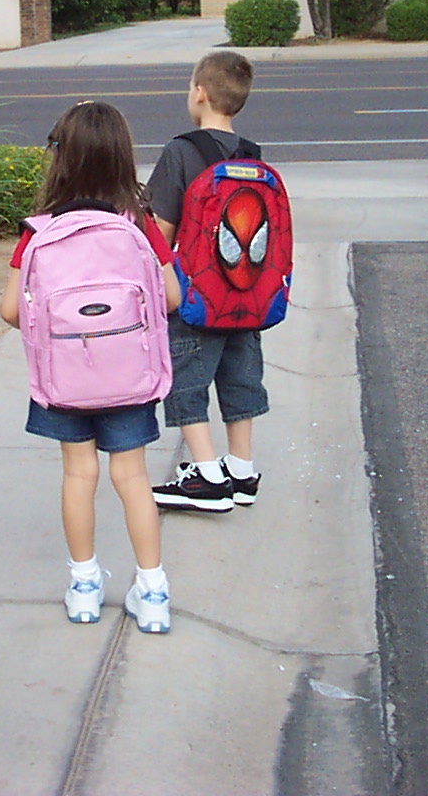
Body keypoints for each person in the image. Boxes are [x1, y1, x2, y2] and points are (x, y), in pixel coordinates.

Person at [1, 101, 181, 634]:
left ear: (61, 159)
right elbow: (169, 296)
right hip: (129, 378)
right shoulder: (138, 222)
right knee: (133, 477)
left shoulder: (39, 230)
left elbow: (12, 310)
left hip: (65, 380)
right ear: (123, 157)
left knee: (79, 474)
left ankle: (84, 586)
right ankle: (151, 591)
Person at [145, 51, 267, 513]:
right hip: (249, 291)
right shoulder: (253, 155)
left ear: (199, 92)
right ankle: (242, 469)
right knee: (240, 377)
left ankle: (206, 475)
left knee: (187, 379)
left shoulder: (182, 150)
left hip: (199, 294)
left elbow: (162, 231)